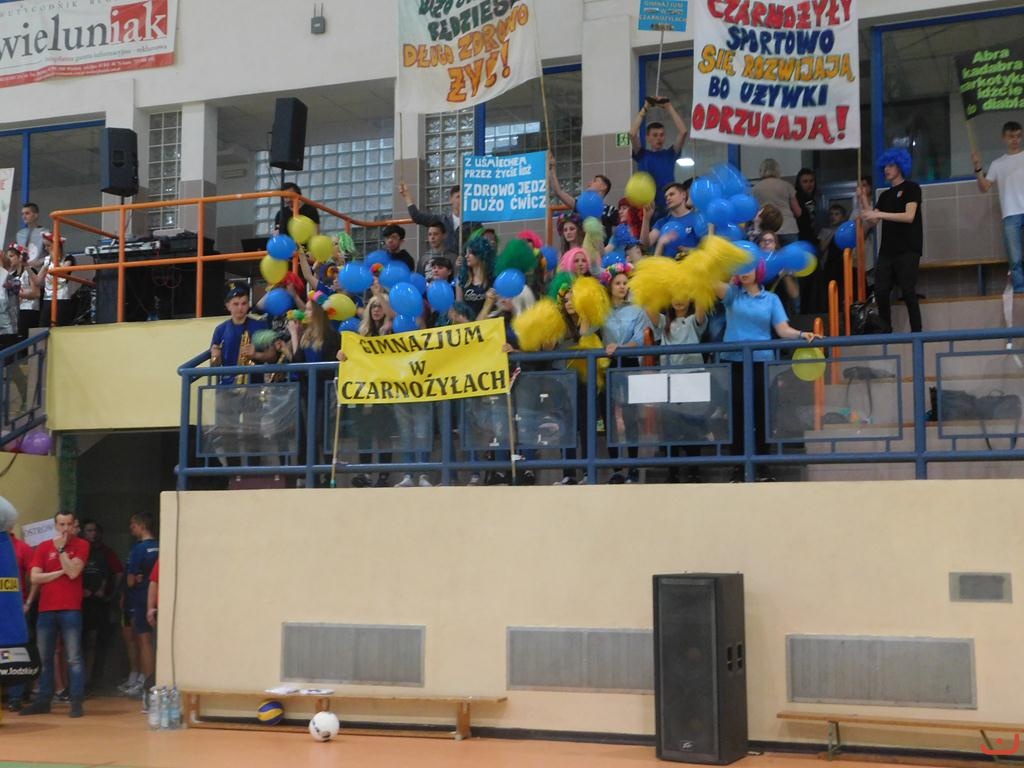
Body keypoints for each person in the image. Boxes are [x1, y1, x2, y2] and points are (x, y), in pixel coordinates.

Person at [715, 261, 820, 481]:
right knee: (736, 415)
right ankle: (738, 468)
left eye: (748, 267)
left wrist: (802, 334)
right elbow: (713, 284)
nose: (744, 272)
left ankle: (762, 467)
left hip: (761, 362)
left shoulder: (771, 299)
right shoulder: (732, 294)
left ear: (759, 270)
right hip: (734, 362)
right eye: (740, 268)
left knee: (762, 415)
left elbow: (783, 330)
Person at [21, 510, 89, 718]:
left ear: (74, 525)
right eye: (61, 524)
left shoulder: (81, 545)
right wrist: (60, 572)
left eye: (69, 524)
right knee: (44, 657)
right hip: (46, 609)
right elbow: (35, 578)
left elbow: (73, 573)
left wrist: (61, 551)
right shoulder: (43, 547)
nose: (65, 528)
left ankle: (76, 702)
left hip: (70, 608)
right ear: (55, 525)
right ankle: (43, 701)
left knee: (73, 657)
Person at [861, 148, 923, 333]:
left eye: (890, 165)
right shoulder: (884, 195)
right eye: (885, 166)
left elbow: (909, 216)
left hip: (908, 249)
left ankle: (917, 332)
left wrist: (879, 214)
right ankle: (886, 330)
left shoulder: (912, 188)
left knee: (908, 291)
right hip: (887, 250)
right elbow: (872, 221)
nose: (886, 169)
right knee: (880, 290)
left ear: (900, 166)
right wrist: (863, 198)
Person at [600, 263, 651, 484]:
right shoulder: (601, 310)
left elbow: (639, 339)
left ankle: (633, 465)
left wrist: (619, 347)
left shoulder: (636, 309)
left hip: (629, 362)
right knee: (609, 416)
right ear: (609, 287)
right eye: (617, 283)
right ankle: (616, 467)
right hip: (607, 364)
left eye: (625, 283)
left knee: (630, 416)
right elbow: (586, 330)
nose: (622, 286)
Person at [210, 284, 270, 459]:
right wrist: (216, 356)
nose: (240, 308)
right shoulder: (220, 329)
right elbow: (215, 364)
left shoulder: (258, 326)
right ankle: (233, 468)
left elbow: (272, 355)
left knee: (252, 430)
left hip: (253, 385)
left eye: (244, 303)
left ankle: (253, 466)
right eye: (235, 304)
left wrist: (256, 354)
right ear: (228, 306)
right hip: (228, 386)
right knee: (227, 431)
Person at [972, 120, 1024, 293]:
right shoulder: (997, 164)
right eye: (1011, 136)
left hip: (1013, 215)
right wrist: (978, 168)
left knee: (1016, 257)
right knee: (1015, 258)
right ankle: (1020, 291)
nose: (1015, 140)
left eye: (1018, 136)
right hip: (1010, 214)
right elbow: (984, 187)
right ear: (1004, 138)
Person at [79, 520, 123, 693]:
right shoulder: (78, 550)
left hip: (99, 602)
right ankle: (80, 681)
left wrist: (111, 593)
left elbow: (117, 572)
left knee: (97, 641)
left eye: (95, 530)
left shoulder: (105, 552)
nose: (93, 534)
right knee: (81, 643)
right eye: (89, 530)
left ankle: (94, 679)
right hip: (81, 603)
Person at [629, 96, 689, 218]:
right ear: (648, 137)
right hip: (648, 207)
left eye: (662, 135)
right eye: (655, 135)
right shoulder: (642, 155)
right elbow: (632, 134)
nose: (659, 138)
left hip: (668, 206)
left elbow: (683, 132)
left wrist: (669, 107)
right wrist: (645, 108)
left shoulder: (670, 154)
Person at [125, 512, 159, 705]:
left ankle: (149, 684)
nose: (131, 530)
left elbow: (130, 581)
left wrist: (136, 580)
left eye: (133, 526)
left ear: (141, 525)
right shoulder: (162, 545)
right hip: (161, 598)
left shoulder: (138, 549)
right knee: (159, 641)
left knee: (144, 641)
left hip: (142, 598)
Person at [399, 182, 476, 255]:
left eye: (464, 197)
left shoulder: (474, 223)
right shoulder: (442, 220)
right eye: (458, 197)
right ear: (451, 199)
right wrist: (406, 196)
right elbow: (417, 217)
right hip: (445, 262)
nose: (461, 200)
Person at [548, 156, 618, 233]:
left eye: (595, 181)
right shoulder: (581, 205)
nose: (589, 183)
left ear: (604, 187)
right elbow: (558, 192)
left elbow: (624, 226)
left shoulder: (610, 210)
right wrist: (552, 169)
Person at [751, 159, 801, 245]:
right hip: (788, 229)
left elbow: (752, 213)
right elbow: (798, 212)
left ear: (761, 170)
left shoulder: (755, 189)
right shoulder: (787, 186)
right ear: (778, 170)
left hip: (766, 230)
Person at [649, 180, 701, 255]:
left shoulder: (698, 218)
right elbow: (646, 245)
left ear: (683, 195)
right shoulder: (662, 222)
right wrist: (646, 219)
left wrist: (689, 250)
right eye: (666, 197)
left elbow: (706, 249)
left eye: (671, 194)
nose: (668, 198)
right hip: (668, 262)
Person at [16, 202, 46, 268]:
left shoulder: (45, 233)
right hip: (24, 271)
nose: (24, 216)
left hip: (40, 270)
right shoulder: (20, 234)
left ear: (36, 215)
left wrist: (40, 262)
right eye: (22, 214)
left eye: (27, 213)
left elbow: (52, 255)